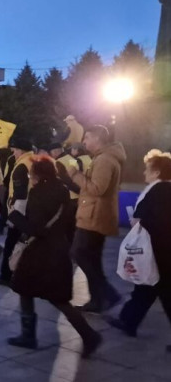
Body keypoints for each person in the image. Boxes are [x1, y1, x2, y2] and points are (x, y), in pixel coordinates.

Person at [7, 156, 102, 357]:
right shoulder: (61, 190)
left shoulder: (38, 193)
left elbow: (37, 229)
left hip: (40, 253)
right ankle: (88, 335)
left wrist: (14, 216)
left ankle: (30, 335)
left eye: (32, 173)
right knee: (56, 297)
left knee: (29, 290)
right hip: (59, 250)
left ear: (37, 174)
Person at [106, 150, 171, 351]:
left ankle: (129, 321)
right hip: (163, 251)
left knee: (165, 293)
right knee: (145, 288)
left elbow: (137, 219)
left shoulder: (155, 191)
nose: (144, 173)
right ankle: (129, 321)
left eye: (147, 169)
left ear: (157, 171)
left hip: (158, 252)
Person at [68, 125, 126, 313]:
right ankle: (97, 300)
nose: (84, 142)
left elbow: (97, 189)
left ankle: (108, 294)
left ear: (97, 139)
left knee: (79, 253)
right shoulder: (103, 158)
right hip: (95, 215)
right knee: (92, 258)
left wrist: (76, 176)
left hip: (94, 216)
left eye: (87, 138)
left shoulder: (105, 160)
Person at [0, 137, 34, 286]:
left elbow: (21, 194)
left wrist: (15, 218)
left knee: (11, 245)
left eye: (14, 150)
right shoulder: (35, 161)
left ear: (21, 150)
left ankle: (6, 275)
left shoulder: (21, 165)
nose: (13, 154)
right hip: (33, 210)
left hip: (21, 212)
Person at [48, 142, 80, 244]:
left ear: (56, 151)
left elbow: (65, 180)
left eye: (52, 152)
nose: (52, 155)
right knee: (73, 227)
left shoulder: (59, 162)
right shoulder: (71, 159)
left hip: (68, 198)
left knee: (66, 228)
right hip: (77, 198)